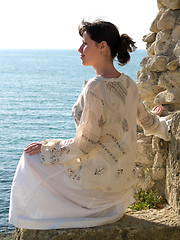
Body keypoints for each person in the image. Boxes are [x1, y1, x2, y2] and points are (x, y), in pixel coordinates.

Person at [9, 19, 170, 229]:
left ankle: (35, 219)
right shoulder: (129, 83)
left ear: (102, 46)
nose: (79, 49)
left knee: (30, 159)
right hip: (118, 193)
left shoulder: (96, 86)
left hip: (96, 191)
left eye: (85, 43)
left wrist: (47, 147)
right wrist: (161, 120)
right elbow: (148, 123)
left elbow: (85, 145)